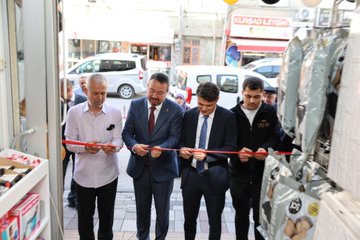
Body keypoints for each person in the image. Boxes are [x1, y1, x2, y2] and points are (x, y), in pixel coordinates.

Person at [122, 72, 183, 240]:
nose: (154, 96)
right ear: (147, 87)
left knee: (162, 212)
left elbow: (175, 138)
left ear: (167, 91)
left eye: (160, 93)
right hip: (140, 169)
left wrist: (162, 148)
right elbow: (127, 133)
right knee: (142, 211)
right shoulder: (135, 105)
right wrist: (134, 146)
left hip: (163, 170)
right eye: (151, 91)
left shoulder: (176, 110)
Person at [65, 73, 123, 240]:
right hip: (83, 176)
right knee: (84, 220)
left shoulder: (115, 112)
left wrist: (114, 147)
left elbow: (118, 138)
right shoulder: (74, 113)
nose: (100, 97)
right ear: (86, 91)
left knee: (107, 220)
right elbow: (69, 143)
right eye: (95, 93)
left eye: (103, 93)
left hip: (108, 174)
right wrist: (85, 147)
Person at [179, 82, 237, 240]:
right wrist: (182, 150)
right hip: (191, 175)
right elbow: (181, 141)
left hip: (215, 176)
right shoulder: (189, 115)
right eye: (200, 104)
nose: (203, 109)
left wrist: (207, 155)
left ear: (217, 100)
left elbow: (231, 148)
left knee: (215, 222)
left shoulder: (227, 117)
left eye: (208, 105)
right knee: (189, 220)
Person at [229, 77, 281, 240]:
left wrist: (265, 149)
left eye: (256, 97)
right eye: (248, 96)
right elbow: (228, 142)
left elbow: (276, 137)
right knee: (241, 216)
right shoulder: (232, 114)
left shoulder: (271, 112)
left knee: (261, 218)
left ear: (262, 94)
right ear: (242, 93)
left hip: (263, 175)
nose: (252, 100)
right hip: (238, 174)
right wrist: (237, 152)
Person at [60, 78, 87, 209]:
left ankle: (74, 197)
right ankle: (58, 197)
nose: (64, 95)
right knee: (60, 171)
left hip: (79, 142)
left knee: (77, 171)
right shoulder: (57, 101)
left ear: (71, 89)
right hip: (61, 144)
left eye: (66, 91)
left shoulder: (83, 100)